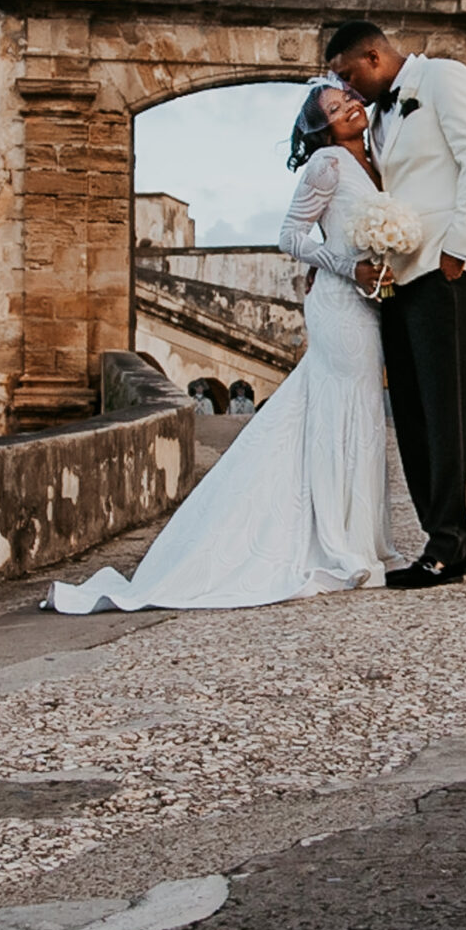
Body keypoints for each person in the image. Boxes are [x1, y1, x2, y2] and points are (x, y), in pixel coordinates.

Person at [44, 78, 404, 612]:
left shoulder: (375, 159)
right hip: (337, 302)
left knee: (360, 412)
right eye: (335, 107)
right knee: (338, 413)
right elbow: (291, 235)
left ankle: (357, 534)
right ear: (322, 126)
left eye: (349, 97)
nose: (350, 107)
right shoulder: (326, 164)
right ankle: (338, 540)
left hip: (367, 306)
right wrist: (347, 265)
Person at [326, 19, 466, 588]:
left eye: (348, 74)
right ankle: (452, 536)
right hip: (400, 274)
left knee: (443, 406)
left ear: (373, 55)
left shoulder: (444, 79)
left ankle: (447, 544)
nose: (348, 88)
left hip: (446, 265)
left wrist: (459, 249)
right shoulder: (379, 116)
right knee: (408, 409)